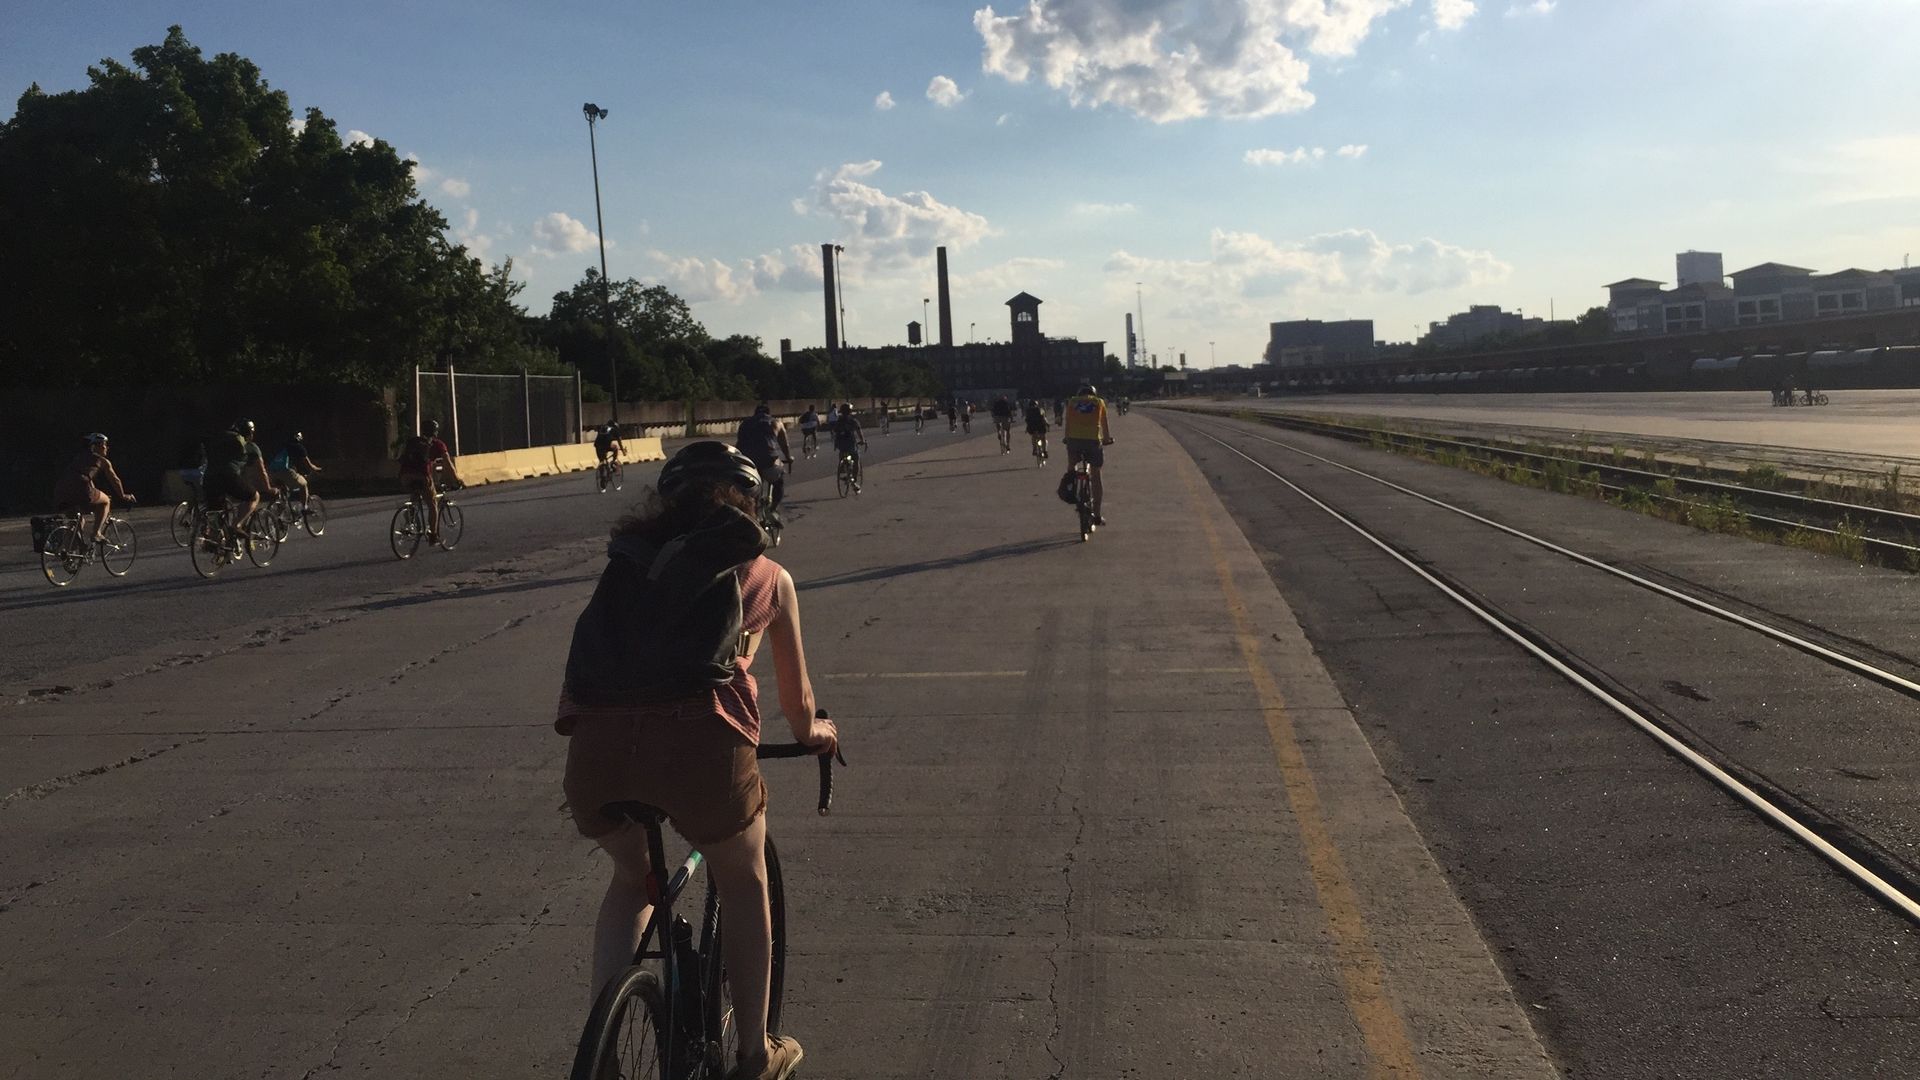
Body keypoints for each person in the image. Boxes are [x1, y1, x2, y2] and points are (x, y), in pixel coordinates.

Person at [557, 441, 838, 1080]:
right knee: (743, 879)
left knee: (635, 882)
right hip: (701, 753)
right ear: (752, 503)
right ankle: (753, 1055)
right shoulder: (765, 574)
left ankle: (603, 1052)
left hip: (597, 755)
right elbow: (797, 705)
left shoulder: (628, 566)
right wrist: (816, 730)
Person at [53, 433, 135, 543]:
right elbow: (115, 480)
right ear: (96, 446)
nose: (107, 447)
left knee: (76, 520)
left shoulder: (79, 458)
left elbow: (82, 478)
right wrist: (123, 496)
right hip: (81, 488)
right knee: (105, 501)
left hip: (61, 490)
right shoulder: (102, 461)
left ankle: (69, 551)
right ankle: (96, 533)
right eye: (105, 444)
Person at [204, 419, 275, 537]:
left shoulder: (222, 442)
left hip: (209, 477)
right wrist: (268, 488)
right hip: (228, 476)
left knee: (216, 511)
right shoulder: (250, 446)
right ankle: (236, 525)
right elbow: (261, 471)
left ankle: (214, 542)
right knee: (254, 497)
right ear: (250, 433)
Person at [399, 419, 462, 545]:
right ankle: (433, 536)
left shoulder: (414, 442)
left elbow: (429, 466)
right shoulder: (438, 444)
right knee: (433, 505)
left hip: (405, 476)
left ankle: (409, 519)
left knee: (415, 496)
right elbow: (448, 464)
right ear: (435, 432)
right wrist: (457, 480)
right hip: (422, 476)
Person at [1062, 383, 1115, 526]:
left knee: (1071, 466)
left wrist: (1067, 439)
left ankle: (1070, 486)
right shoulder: (1098, 402)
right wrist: (1107, 439)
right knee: (1096, 474)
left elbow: (1068, 423)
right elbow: (1104, 424)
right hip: (1092, 442)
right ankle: (1097, 515)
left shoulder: (1072, 402)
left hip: (1074, 442)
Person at [734, 403, 793, 513]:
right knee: (779, 482)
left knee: (748, 489)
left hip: (748, 462)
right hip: (769, 461)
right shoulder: (776, 422)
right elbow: (784, 445)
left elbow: (739, 444)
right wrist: (789, 458)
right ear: (769, 413)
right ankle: (773, 509)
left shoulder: (745, 424)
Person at [270, 430, 322, 505]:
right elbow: (309, 465)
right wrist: (317, 469)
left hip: (272, 472)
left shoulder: (282, 447)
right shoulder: (298, 447)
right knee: (303, 484)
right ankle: (305, 508)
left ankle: (277, 513)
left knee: (284, 492)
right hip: (285, 471)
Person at [830, 401, 867, 493]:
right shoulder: (853, 421)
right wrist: (862, 440)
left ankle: (843, 466)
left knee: (842, 453)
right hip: (851, 444)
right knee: (856, 459)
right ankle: (854, 480)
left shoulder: (838, 421)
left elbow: (834, 432)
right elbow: (859, 432)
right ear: (850, 411)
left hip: (841, 444)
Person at [1023, 398, 1050, 463]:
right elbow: (1044, 419)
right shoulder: (1040, 410)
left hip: (1032, 427)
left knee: (1034, 437)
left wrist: (1027, 427)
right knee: (1043, 438)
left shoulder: (1028, 411)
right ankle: (1044, 450)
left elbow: (1027, 420)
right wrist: (1047, 424)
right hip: (1040, 426)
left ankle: (1034, 449)